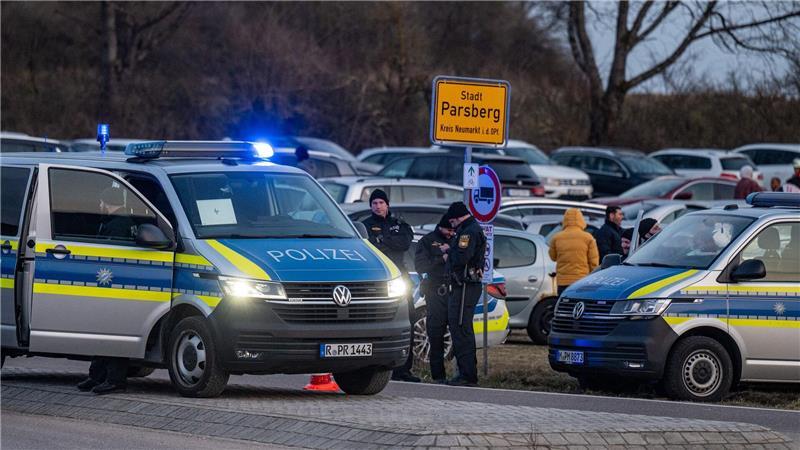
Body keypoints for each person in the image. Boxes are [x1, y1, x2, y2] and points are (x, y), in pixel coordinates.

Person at [77, 186, 132, 395]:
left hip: (113, 285)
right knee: (102, 330)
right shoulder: (118, 222)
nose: (99, 206)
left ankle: (115, 379)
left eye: (102, 202)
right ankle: (97, 375)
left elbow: (110, 258)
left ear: (107, 203)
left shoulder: (118, 225)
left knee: (113, 332)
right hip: (110, 284)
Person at [361, 189, 417, 382]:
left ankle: (404, 369)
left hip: (399, 278)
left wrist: (382, 240)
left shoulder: (398, 224)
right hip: (374, 280)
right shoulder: (365, 226)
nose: (378, 206)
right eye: (374, 203)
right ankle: (373, 367)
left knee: (406, 321)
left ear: (387, 205)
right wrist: (386, 242)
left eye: (381, 203)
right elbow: (370, 247)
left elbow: (404, 243)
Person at [444, 201, 486, 387]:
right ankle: (467, 373)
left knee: (460, 327)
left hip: (465, 285)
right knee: (461, 327)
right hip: (466, 285)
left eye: (452, 222)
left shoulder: (468, 231)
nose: (452, 226)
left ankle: (467, 375)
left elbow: (462, 257)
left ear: (456, 218)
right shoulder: (470, 228)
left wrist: (448, 253)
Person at [414, 214, 455, 383]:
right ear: (441, 227)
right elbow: (421, 266)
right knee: (435, 334)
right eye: (448, 230)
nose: (451, 233)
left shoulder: (458, 238)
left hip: (454, 291)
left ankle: (461, 375)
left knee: (459, 334)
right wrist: (441, 257)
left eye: (453, 230)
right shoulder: (427, 241)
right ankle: (438, 376)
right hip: (435, 290)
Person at [548, 209, 599, 295]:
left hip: (562, 281)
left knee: (564, 306)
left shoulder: (556, 237)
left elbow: (552, 257)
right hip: (582, 280)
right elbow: (594, 262)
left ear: (565, 220)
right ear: (581, 220)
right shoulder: (588, 237)